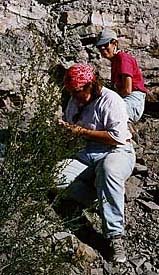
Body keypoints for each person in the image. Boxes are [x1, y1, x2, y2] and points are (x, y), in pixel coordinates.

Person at [56, 63, 136, 263]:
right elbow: (73, 127)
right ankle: (100, 195)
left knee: (109, 170)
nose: (73, 96)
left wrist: (81, 132)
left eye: (76, 92)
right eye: (70, 92)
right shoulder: (75, 101)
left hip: (116, 151)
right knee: (55, 176)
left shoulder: (111, 100)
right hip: (86, 154)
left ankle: (115, 236)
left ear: (89, 85)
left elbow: (117, 137)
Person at [96, 29, 148, 134]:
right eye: (99, 46)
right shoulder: (115, 61)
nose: (102, 48)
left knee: (111, 114)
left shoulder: (123, 58)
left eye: (105, 45)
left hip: (133, 100)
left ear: (114, 43)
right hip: (127, 99)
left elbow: (127, 90)